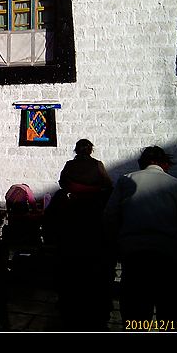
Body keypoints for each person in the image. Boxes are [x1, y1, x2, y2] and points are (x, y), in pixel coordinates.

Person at [104, 146, 177, 325]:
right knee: (168, 309)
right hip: (167, 254)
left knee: (136, 311)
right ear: (165, 164)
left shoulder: (126, 180)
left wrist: (114, 245)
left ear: (142, 163)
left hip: (133, 254)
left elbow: (110, 216)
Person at [44, 138, 114, 330]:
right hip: (94, 237)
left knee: (69, 272)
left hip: (69, 238)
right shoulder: (98, 170)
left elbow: (62, 183)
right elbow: (108, 184)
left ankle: (68, 304)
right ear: (91, 150)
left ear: (76, 150)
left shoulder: (68, 172)